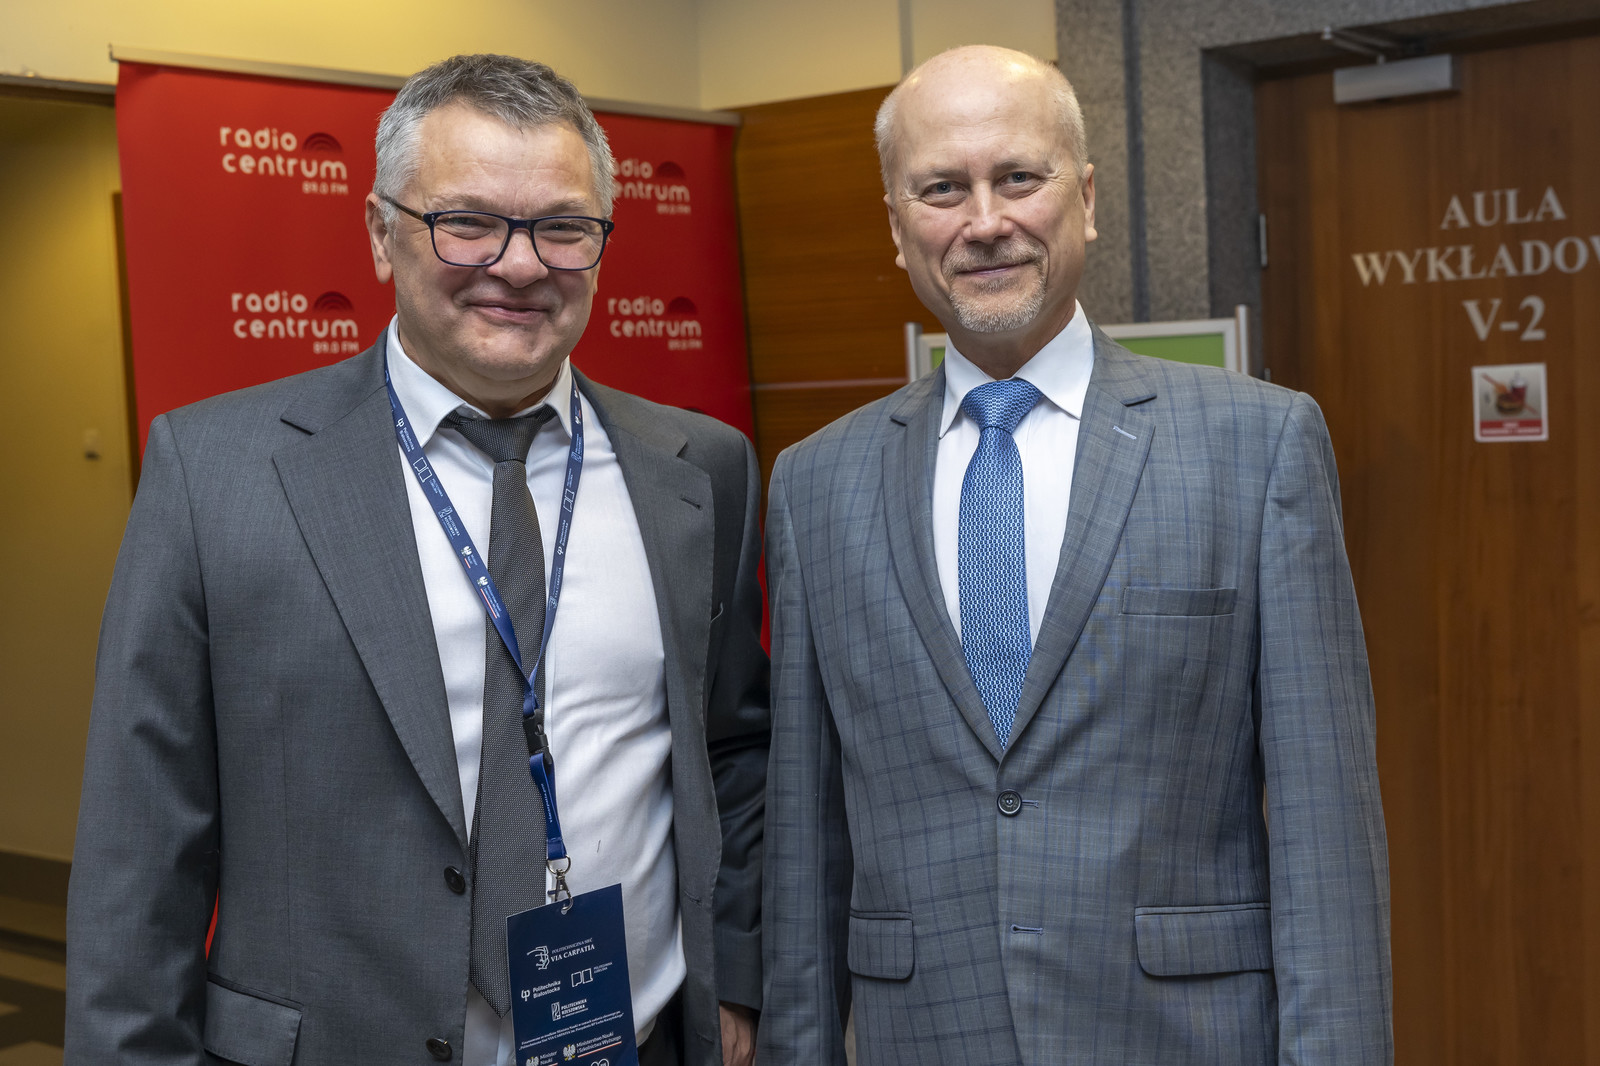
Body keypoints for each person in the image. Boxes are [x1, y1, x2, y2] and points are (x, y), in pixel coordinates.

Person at [66, 54, 766, 1066]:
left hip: (631, 1040)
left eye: (562, 227)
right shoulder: (215, 474)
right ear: (379, 232)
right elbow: (141, 846)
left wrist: (735, 977)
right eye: (467, 221)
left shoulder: (701, 470)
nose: (519, 266)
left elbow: (733, 749)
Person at [758, 45, 1390, 1066]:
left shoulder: (1256, 444)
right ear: (896, 227)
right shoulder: (813, 485)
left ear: (1086, 198)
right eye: (941, 189)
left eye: (1019, 176)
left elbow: (1327, 830)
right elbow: (803, 844)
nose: (984, 221)